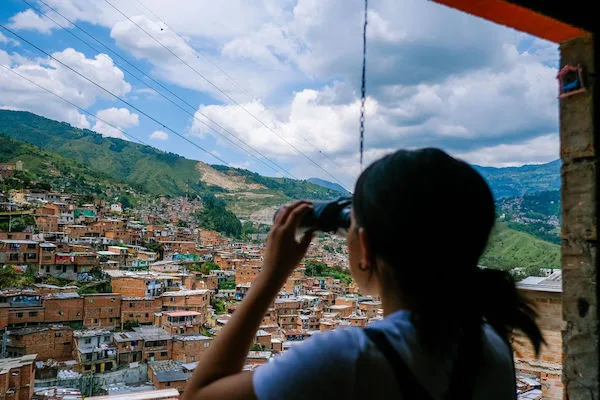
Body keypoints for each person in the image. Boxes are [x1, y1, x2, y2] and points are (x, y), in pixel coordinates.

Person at [182, 148, 544, 400]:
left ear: (366, 248)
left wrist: (271, 276)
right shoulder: (493, 346)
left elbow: (200, 395)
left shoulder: (347, 358)